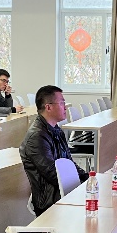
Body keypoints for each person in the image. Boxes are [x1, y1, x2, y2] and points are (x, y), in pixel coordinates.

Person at [20, 85, 86, 215]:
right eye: (62, 103)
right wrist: (81, 186)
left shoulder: (56, 130)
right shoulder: (37, 137)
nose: (65, 107)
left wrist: (88, 178)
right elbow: (53, 174)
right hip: (50, 199)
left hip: (62, 189)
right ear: (48, 107)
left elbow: (69, 163)